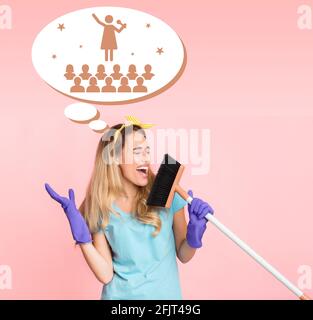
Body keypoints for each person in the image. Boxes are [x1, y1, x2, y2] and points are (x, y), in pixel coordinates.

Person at [44, 118, 214, 300]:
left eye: (147, 151)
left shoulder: (168, 192)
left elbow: (184, 254)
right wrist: (84, 241)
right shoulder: (101, 205)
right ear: (115, 157)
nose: (146, 158)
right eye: (137, 151)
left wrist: (193, 237)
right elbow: (106, 274)